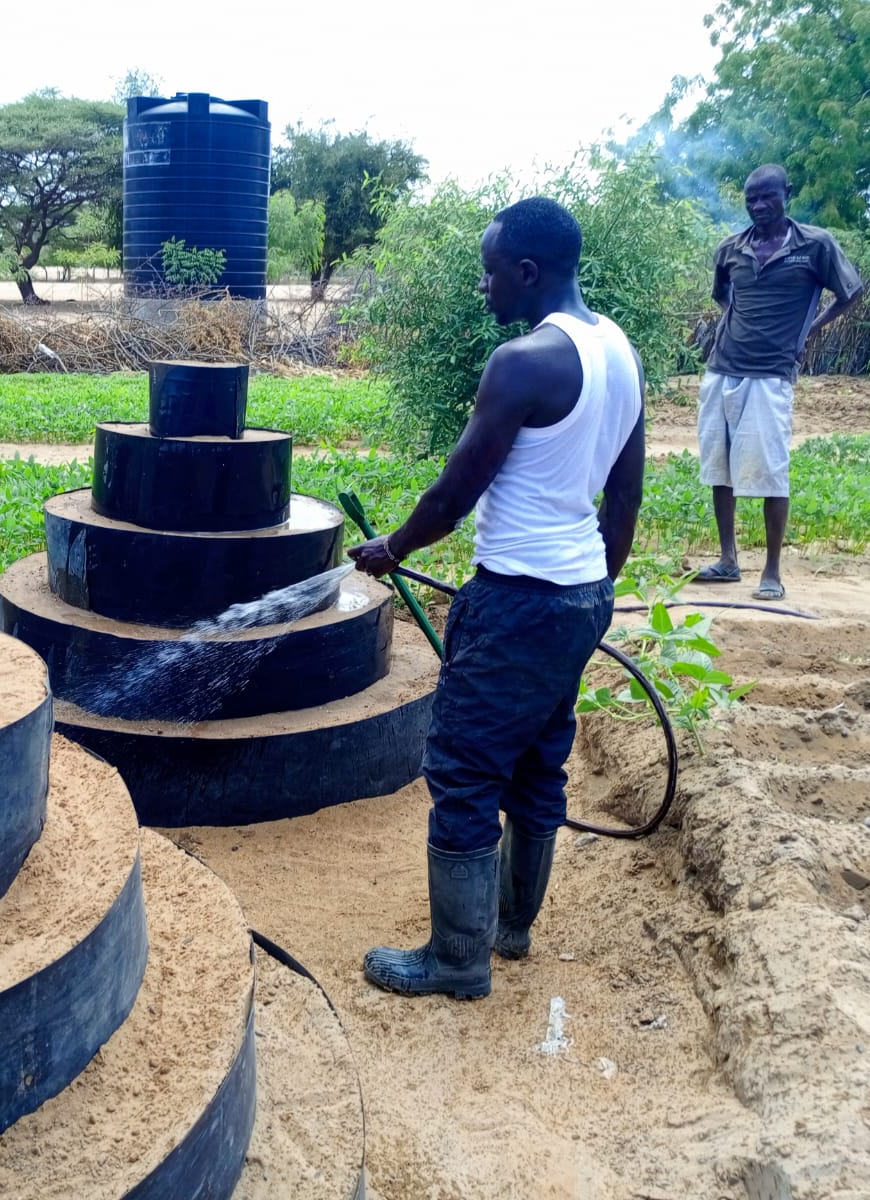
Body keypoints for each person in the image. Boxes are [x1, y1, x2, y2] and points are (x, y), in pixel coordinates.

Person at [347, 196, 645, 1000]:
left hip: (518, 599)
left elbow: (453, 494)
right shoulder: (617, 349)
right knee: (538, 766)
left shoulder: (524, 362)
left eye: (488, 272)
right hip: (577, 593)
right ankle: (509, 929)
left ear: (525, 270)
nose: (482, 288)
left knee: (464, 768)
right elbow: (625, 491)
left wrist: (392, 549)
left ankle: (455, 961)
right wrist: (594, 590)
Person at [695, 163, 865, 601]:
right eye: (751, 199)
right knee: (720, 467)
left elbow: (851, 292)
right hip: (722, 367)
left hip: (771, 374)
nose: (758, 206)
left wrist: (810, 329)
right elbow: (723, 296)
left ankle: (771, 570)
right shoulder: (731, 248)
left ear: (787, 193)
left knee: (771, 471)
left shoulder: (815, 245)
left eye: (767, 196)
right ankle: (728, 560)